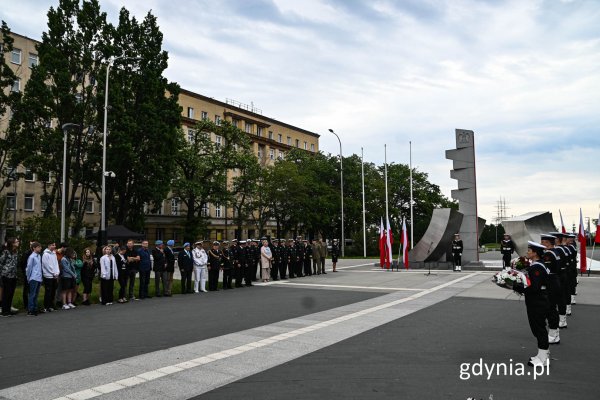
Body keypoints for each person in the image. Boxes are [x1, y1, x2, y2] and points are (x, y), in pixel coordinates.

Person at [514, 241, 551, 368]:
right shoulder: (539, 264)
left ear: (535, 253)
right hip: (540, 300)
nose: (527, 252)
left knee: (539, 329)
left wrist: (518, 288)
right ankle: (541, 355)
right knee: (538, 328)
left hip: (537, 301)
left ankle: (544, 358)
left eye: (529, 251)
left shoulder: (536, 267)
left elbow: (534, 287)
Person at [540, 234, 566, 342]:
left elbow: (546, 270)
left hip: (551, 283)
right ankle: (555, 333)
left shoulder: (548, 255)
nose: (541, 244)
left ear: (547, 243)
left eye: (543, 242)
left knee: (550, 309)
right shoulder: (556, 252)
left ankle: (553, 333)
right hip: (555, 280)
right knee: (552, 308)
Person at [1, 237, 20, 317]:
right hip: (6, 275)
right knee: (6, 293)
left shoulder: (16, 252)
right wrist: (3, 272)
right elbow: (1, 262)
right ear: (12, 243)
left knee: (11, 293)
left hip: (13, 275)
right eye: (16, 241)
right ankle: (4, 311)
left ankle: (8, 310)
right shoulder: (6, 252)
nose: (18, 242)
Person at [26, 242, 43, 316]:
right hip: (33, 277)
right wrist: (28, 277)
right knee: (32, 294)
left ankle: (35, 308)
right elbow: (29, 267)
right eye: (39, 247)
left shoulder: (39, 256)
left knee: (36, 294)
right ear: (34, 248)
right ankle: (30, 310)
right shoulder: (32, 257)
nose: (40, 248)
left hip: (39, 277)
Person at [41, 241, 59, 312]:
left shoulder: (54, 253)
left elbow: (56, 264)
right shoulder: (45, 254)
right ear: (48, 246)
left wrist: (57, 272)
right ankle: (46, 306)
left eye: (54, 245)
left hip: (54, 275)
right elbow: (46, 265)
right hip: (48, 276)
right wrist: (53, 273)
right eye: (52, 245)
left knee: (53, 291)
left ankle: (51, 305)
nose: (54, 246)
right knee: (48, 291)